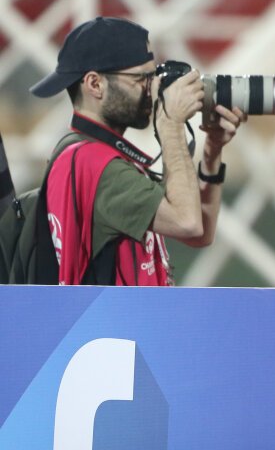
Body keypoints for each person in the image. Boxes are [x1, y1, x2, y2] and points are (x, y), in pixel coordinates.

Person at [30, 17, 244, 285]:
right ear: (95, 84)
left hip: (121, 311)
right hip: (114, 314)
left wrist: (212, 150)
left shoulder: (93, 157)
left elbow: (199, 233)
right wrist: (171, 123)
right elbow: (188, 223)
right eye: (142, 78)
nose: (153, 89)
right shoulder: (93, 164)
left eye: (154, 76)